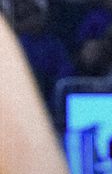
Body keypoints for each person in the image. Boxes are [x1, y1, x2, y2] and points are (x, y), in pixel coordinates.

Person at [0, 14, 70, 174]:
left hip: (45, 105)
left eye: (35, 14)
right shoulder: (12, 42)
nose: (32, 19)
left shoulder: (52, 44)